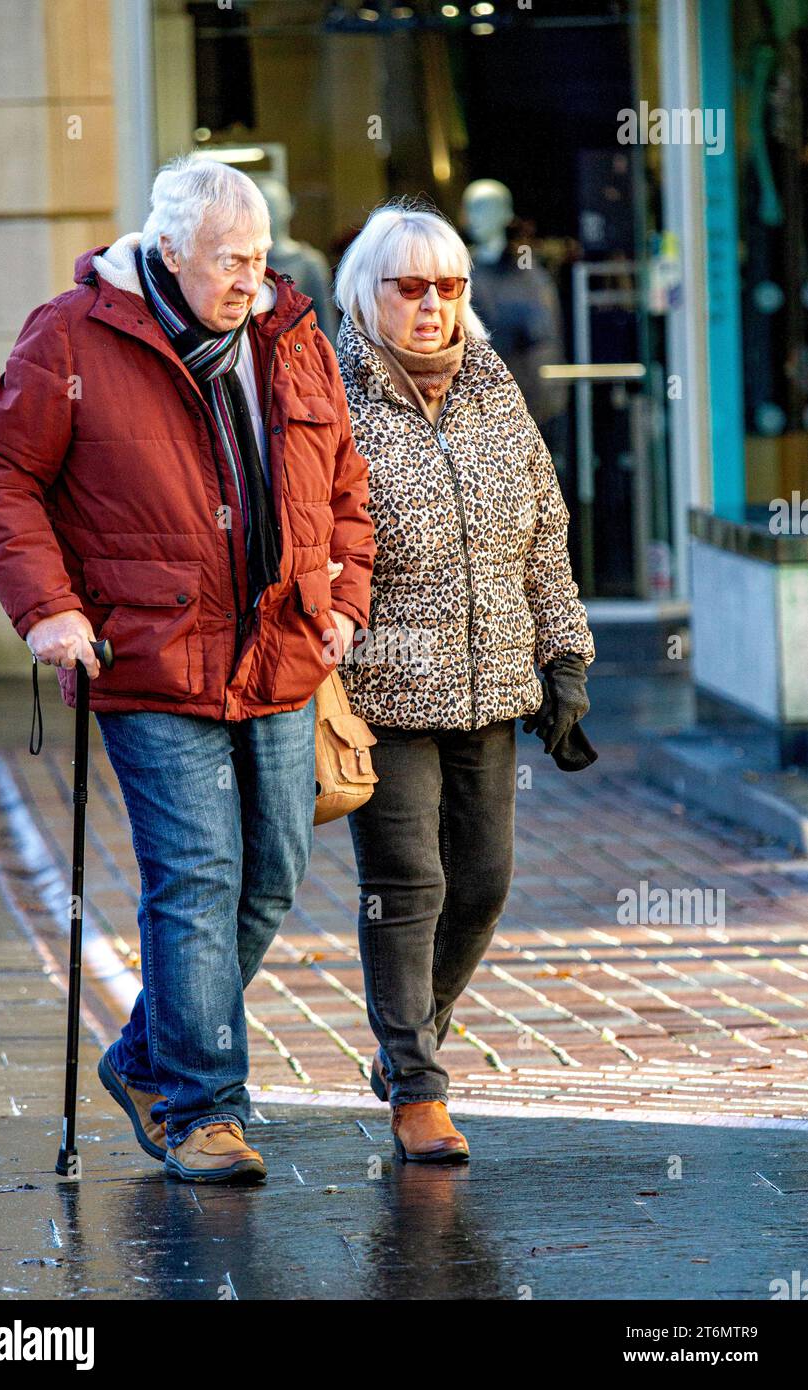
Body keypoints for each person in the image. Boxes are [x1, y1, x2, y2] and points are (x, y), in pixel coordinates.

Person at [0, 155, 375, 1184]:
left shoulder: (291, 336)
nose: (250, 278)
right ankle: (203, 1108)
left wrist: (346, 599)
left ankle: (146, 1057)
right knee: (196, 881)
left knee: (272, 872)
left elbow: (348, 487)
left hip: (279, 647)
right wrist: (49, 609)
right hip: (146, 655)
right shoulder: (72, 334)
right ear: (169, 252)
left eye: (261, 257)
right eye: (230, 261)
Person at [333, 199, 595, 1164]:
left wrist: (562, 656)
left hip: (489, 689)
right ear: (369, 294)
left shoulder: (491, 385)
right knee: (409, 887)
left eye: (449, 286)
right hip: (385, 687)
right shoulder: (334, 396)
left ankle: (409, 1046)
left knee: (481, 886)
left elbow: (543, 529)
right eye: (411, 288)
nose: (433, 305)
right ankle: (415, 1088)